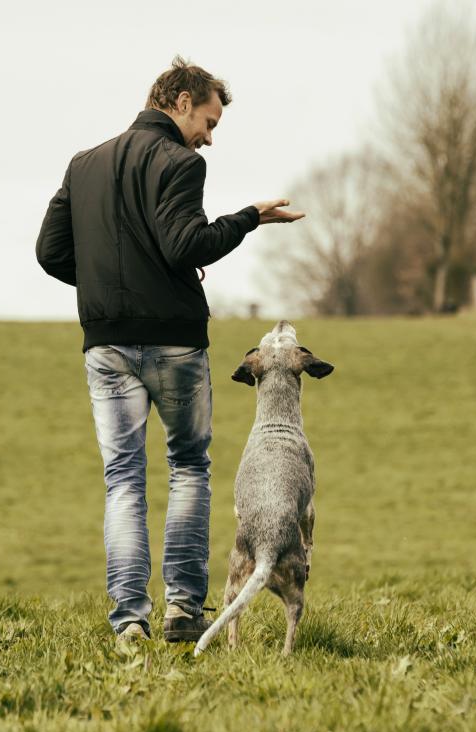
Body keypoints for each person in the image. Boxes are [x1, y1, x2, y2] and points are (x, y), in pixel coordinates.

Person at [35, 56, 304, 643]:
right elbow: (186, 246)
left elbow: (51, 253)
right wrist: (248, 218)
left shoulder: (83, 165)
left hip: (105, 344)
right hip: (176, 344)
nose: (208, 137)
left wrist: (110, 287)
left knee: (123, 479)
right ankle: (183, 610)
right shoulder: (179, 163)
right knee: (187, 468)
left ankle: (130, 621)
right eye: (208, 121)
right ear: (179, 101)